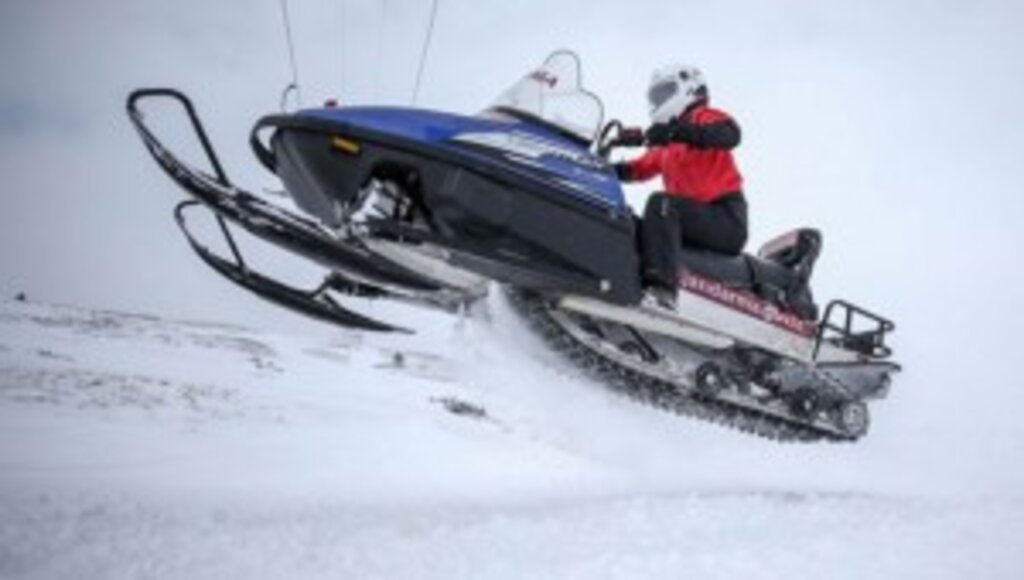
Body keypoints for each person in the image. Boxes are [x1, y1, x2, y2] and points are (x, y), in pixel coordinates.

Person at [614, 64, 748, 309]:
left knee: (662, 203)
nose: (660, 101)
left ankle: (662, 291)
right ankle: (628, 277)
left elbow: (730, 133)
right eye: (657, 97)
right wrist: (604, 169)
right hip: (692, 220)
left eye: (665, 93)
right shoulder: (668, 147)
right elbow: (640, 168)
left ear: (688, 89)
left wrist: (676, 131)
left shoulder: (702, 118)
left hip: (726, 219)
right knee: (635, 223)